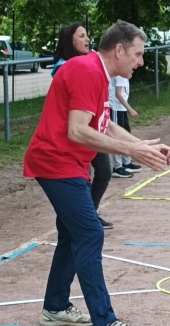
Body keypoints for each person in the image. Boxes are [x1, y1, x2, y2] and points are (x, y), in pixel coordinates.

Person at [23, 20, 170, 326]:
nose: (141, 62)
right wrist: (133, 151)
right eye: (137, 54)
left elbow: (103, 125)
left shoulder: (97, 73)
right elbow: (78, 130)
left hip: (70, 165)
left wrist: (141, 145)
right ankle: (104, 325)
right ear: (118, 50)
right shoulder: (86, 70)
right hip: (55, 163)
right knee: (90, 233)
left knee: (73, 233)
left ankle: (56, 307)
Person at [51, 23, 114, 229]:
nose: (87, 39)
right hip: (77, 136)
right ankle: (83, 217)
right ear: (70, 40)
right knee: (80, 179)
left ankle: (89, 212)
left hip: (92, 131)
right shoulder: (66, 66)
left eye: (87, 35)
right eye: (81, 36)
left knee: (104, 171)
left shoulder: (91, 65)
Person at [109, 76, 142, 178]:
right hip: (116, 108)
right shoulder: (120, 75)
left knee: (126, 134)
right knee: (117, 137)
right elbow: (118, 94)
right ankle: (118, 167)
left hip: (122, 109)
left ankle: (126, 162)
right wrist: (130, 109)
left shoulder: (124, 75)